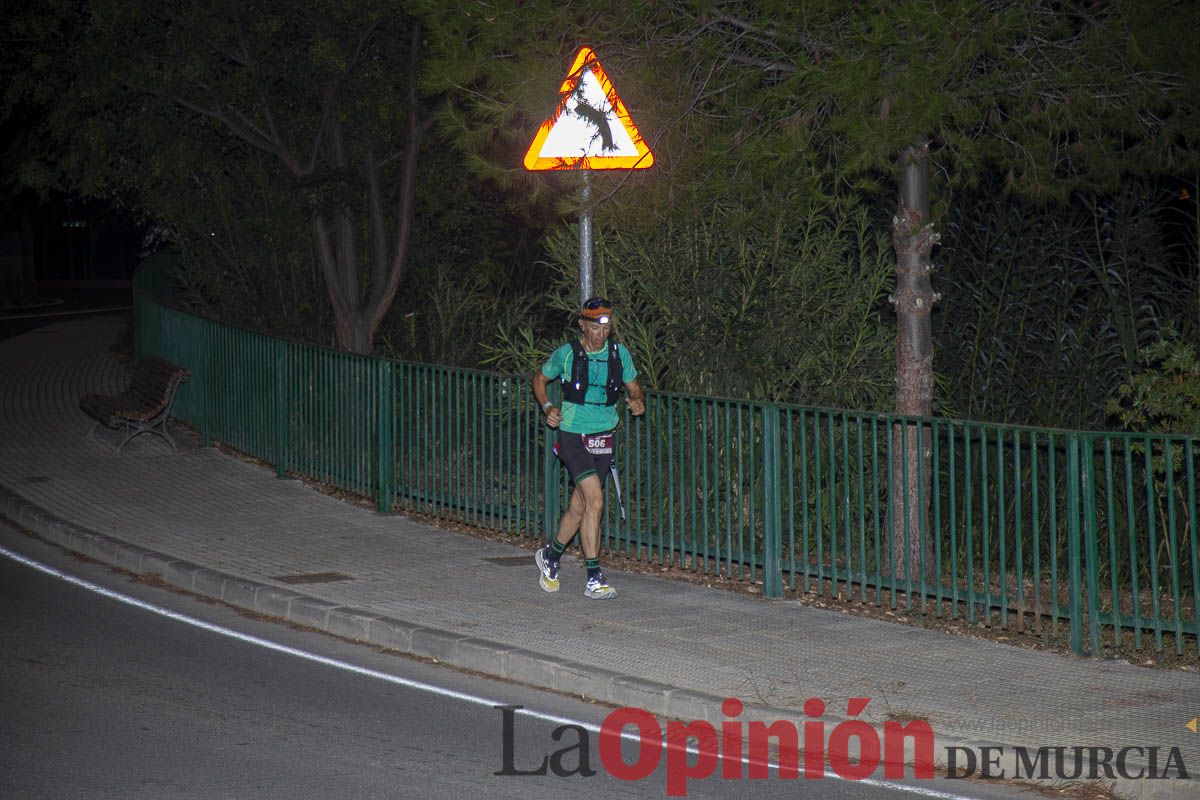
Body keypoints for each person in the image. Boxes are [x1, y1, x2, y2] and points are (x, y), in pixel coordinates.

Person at [531, 296, 645, 599]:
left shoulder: (621, 355)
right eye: (595, 327)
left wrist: (637, 401)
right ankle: (594, 576)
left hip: (603, 437)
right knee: (595, 500)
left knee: (580, 506)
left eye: (605, 328)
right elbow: (539, 380)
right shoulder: (567, 354)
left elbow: (635, 389)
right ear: (583, 324)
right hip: (572, 435)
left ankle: (551, 557)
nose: (601, 334)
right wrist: (547, 407)